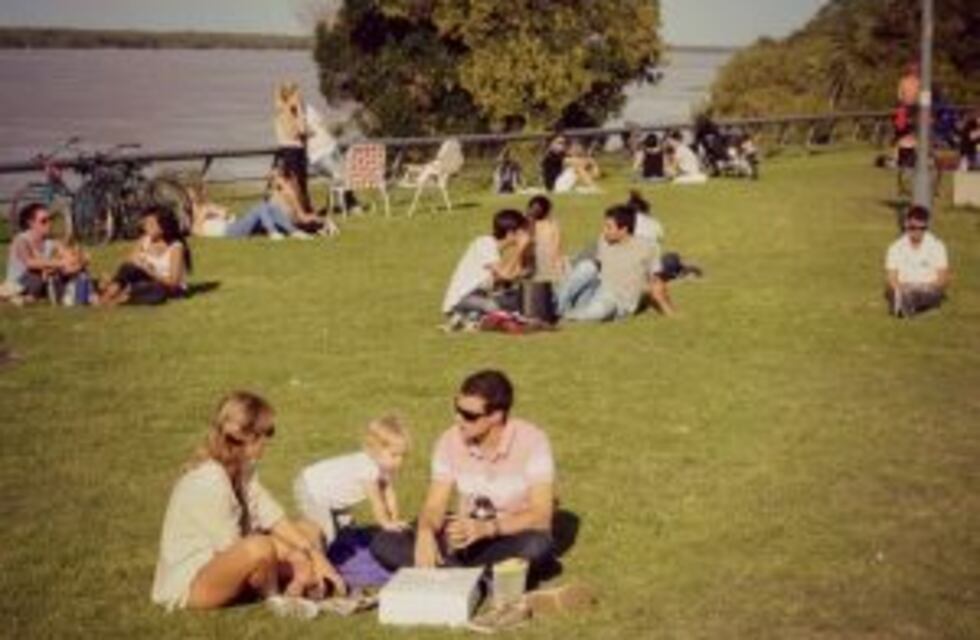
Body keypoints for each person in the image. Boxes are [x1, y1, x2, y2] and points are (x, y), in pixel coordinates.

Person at [152, 391, 346, 611]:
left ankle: (302, 580)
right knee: (260, 548)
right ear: (246, 436)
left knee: (308, 529)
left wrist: (312, 553)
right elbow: (234, 548)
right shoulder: (209, 481)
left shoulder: (243, 467)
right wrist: (298, 559)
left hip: (235, 557)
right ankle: (294, 585)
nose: (269, 440)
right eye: (267, 432)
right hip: (195, 582)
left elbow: (273, 517)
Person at [370, 370, 556, 585]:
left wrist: (487, 529)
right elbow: (435, 505)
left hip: (507, 534)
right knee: (384, 542)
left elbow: (541, 515)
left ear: (496, 416)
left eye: (469, 416)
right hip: (462, 537)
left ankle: (452, 573)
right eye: (457, 409)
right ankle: (475, 576)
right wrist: (425, 532)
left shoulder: (533, 442)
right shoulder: (449, 441)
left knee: (537, 546)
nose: (458, 419)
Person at [293, 416, 411, 543]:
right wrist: (385, 523)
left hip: (330, 497)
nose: (399, 461)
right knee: (325, 532)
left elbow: (389, 494)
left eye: (402, 455)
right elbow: (376, 500)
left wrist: (394, 520)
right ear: (375, 450)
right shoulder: (367, 467)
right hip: (313, 489)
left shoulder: (385, 468)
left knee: (346, 529)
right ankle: (301, 550)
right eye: (394, 455)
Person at [555, 204, 653, 322]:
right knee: (587, 267)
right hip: (595, 294)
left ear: (623, 230)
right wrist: (563, 264)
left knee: (601, 310)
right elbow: (580, 263)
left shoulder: (645, 248)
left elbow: (656, 282)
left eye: (609, 227)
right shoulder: (603, 240)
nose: (604, 231)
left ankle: (566, 315)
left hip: (617, 302)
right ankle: (555, 308)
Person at [440, 209, 531, 329]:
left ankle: (470, 319)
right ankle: (469, 318)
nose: (525, 234)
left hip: (479, 296)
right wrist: (520, 248)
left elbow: (512, 276)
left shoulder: (494, 250)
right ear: (510, 233)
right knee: (493, 306)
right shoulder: (485, 244)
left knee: (517, 298)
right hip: (461, 299)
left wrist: (523, 255)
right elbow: (505, 275)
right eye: (522, 231)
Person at [97, 207, 192, 306]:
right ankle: (108, 294)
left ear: (163, 227)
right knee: (128, 268)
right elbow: (128, 267)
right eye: (145, 224)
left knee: (156, 291)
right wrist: (113, 280)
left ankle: (120, 299)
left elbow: (174, 282)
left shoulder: (176, 247)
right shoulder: (144, 241)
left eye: (151, 224)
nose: (146, 227)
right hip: (145, 282)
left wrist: (151, 271)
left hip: (168, 288)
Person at [2, 203, 89, 305]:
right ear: (31, 223)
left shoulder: (50, 242)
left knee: (70, 272)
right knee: (36, 274)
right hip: (20, 282)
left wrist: (79, 260)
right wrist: (61, 263)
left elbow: (67, 256)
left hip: (40, 281)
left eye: (50, 219)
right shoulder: (21, 240)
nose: (49, 223)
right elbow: (30, 262)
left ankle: (83, 295)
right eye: (43, 221)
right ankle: (14, 295)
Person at [885, 205, 950, 318]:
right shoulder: (895, 247)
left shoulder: (937, 246)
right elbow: (892, 278)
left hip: (928, 288)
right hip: (904, 287)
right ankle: (910, 306)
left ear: (927, 227)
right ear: (906, 225)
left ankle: (906, 307)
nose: (917, 231)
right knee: (898, 294)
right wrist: (901, 288)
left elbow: (943, 278)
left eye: (922, 228)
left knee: (928, 295)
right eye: (913, 227)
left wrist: (924, 286)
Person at [188, 182, 310, 240]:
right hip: (230, 231)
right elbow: (197, 232)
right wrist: (206, 212)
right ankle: (273, 232)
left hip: (234, 224)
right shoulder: (198, 215)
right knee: (260, 207)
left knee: (270, 206)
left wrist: (216, 211)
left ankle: (293, 231)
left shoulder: (206, 209)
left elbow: (226, 212)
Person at [272, 81, 313, 214]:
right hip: (290, 151)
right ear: (290, 96)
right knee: (295, 184)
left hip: (297, 150)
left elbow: (302, 131)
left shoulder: (290, 111)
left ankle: (304, 209)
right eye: (297, 94)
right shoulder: (285, 111)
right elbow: (297, 132)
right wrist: (300, 112)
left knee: (301, 183)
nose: (300, 97)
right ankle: (299, 211)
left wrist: (302, 129)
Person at [526, 195, 564, 284]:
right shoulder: (553, 225)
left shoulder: (525, 227)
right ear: (548, 212)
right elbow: (557, 250)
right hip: (550, 269)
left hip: (531, 270)